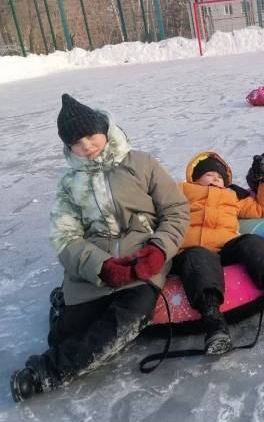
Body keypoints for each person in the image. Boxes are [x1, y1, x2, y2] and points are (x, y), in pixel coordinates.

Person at [10, 94, 190, 402]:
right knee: (62, 337)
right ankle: (62, 303)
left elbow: (176, 210)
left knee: (129, 317)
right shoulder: (69, 185)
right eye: (76, 143)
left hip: (141, 260)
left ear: (104, 128)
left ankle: (47, 372)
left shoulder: (141, 163)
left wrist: (159, 250)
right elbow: (64, 237)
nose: (87, 146)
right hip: (96, 270)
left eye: (91, 136)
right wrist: (101, 266)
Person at [175, 151, 264, 355]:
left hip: (225, 248)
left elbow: (262, 209)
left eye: (219, 177)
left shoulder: (232, 196)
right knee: (199, 257)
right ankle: (213, 322)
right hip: (192, 251)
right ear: (195, 179)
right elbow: (159, 204)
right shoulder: (181, 191)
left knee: (251, 241)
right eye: (209, 175)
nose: (215, 179)